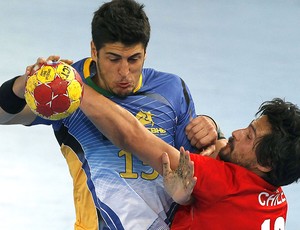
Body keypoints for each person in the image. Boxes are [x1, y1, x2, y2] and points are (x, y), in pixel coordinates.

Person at [0, 0, 223, 229]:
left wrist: (212, 128)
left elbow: (201, 168)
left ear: (145, 53)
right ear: (94, 51)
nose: (125, 72)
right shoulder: (67, 89)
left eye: (134, 59)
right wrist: (23, 85)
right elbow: (4, 115)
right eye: (114, 59)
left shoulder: (171, 89)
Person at [78, 84, 300, 230]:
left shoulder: (225, 182)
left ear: (266, 163)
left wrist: (77, 87)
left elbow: (133, 136)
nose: (237, 133)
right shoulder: (278, 202)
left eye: (249, 136)